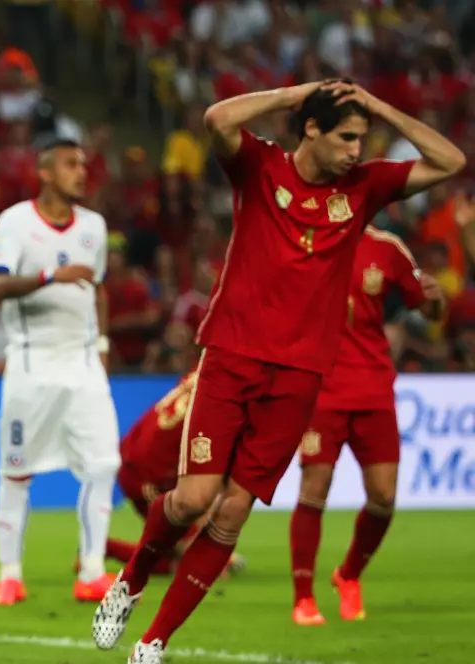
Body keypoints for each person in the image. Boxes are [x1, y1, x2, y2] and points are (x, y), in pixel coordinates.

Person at [92, 79, 465, 664]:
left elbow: (451, 161)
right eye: (345, 137)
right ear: (310, 128)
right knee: (192, 500)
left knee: (234, 510)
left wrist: (380, 107)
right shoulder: (260, 168)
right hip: (233, 355)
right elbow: (216, 118)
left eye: (362, 139)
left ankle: (153, 644)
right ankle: (133, 576)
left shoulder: (363, 187)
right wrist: (299, 92)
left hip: (300, 374)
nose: (355, 151)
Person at [0, 139, 120, 605]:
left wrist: (101, 343)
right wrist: (48, 277)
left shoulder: (94, 227)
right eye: (70, 164)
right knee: (17, 470)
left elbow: (96, 287)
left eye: (83, 163)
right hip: (31, 362)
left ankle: (93, 570)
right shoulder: (15, 223)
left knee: (104, 465)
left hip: (83, 363)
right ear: (44, 172)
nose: (81, 171)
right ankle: (9, 574)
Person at [290, 228, 444, 626]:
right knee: (313, 488)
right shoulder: (301, 237)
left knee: (384, 496)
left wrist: (437, 299)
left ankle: (349, 575)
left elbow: (430, 309)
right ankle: (304, 598)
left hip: (373, 386)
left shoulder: (386, 248)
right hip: (321, 388)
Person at [91, 368, 244, 579]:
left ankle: (102, 548)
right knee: (193, 562)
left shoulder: (203, 371)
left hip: (137, 453)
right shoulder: (226, 400)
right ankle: (99, 548)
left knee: (177, 549)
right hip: (146, 476)